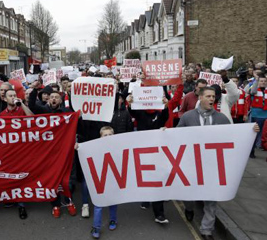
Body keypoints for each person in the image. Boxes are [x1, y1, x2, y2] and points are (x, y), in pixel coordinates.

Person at [177, 86, 260, 240]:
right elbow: (177, 136)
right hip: (192, 164)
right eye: (208, 96)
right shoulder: (188, 117)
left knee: (211, 198)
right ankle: (189, 208)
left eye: (213, 97)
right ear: (200, 98)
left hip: (213, 166)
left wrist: (251, 130)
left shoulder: (222, 119)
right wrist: (164, 132)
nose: (211, 99)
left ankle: (206, 230)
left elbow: (233, 137)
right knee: (188, 193)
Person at [28, 81, 77, 218]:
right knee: (52, 179)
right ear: (48, 100)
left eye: (56, 97)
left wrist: (71, 93)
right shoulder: (44, 110)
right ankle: (55, 204)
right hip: (49, 152)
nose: (54, 99)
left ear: (60, 100)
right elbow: (31, 105)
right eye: (51, 97)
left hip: (65, 150)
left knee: (67, 179)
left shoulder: (67, 112)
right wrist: (33, 89)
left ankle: (68, 201)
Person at [127, 93, 170, 224]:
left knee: (157, 180)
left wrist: (166, 105)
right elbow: (132, 112)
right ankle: (145, 198)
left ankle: (159, 214)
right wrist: (130, 103)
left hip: (158, 151)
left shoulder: (160, 113)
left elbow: (165, 116)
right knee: (145, 176)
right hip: (143, 150)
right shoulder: (140, 113)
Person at [0, 89, 33, 219]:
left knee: (21, 177)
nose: (13, 98)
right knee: (11, 176)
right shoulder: (2, 115)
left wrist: (22, 104)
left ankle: (21, 205)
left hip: (23, 150)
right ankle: (12, 197)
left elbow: (32, 118)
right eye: (10, 96)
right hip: (9, 151)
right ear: (5, 99)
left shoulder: (22, 109)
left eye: (14, 95)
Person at [89, 126, 119, 239]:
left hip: (114, 179)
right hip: (100, 179)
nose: (108, 137)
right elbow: (85, 151)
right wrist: (79, 147)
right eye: (105, 135)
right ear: (100, 137)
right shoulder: (94, 147)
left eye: (110, 135)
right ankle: (96, 227)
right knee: (98, 204)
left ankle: (113, 220)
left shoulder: (118, 147)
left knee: (113, 202)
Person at [248, 74, 267, 158]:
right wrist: (256, 80)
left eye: (265, 81)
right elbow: (252, 91)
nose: (263, 83)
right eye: (261, 81)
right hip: (256, 116)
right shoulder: (254, 89)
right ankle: (251, 151)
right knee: (254, 135)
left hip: (265, 115)